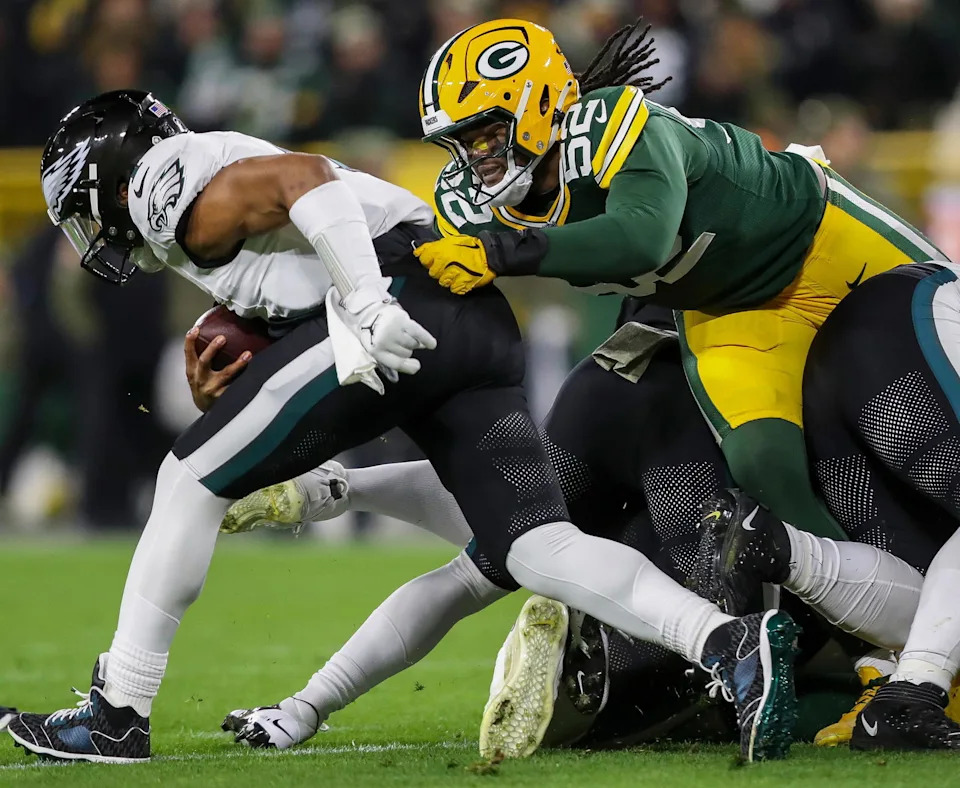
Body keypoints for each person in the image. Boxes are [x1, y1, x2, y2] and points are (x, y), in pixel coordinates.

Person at [5, 90, 796, 765]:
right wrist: (246, 364)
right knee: (535, 547)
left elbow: (306, 180)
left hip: (400, 294)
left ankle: (118, 711)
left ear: (113, 179)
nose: (89, 233)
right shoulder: (207, 192)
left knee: (186, 479)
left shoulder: (160, 182)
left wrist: (368, 301)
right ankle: (727, 643)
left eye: (83, 209)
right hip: (469, 318)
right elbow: (294, 274)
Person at [410, 17, 948, 545]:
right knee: (763, 462)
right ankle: (869, 596)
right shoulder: (471, 209)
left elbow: (641, 237)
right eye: (462, 142)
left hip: (823, 241)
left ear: (539, 107)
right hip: (726, 310)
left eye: (488, 134)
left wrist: (502, 253)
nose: (476, 157)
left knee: (943, 382)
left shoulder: (611, 124)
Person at [701, 261, 960, 750]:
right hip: (914, 324)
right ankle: (910, 694)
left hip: (854, 349)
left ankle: (780, 549)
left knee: (931, 600)